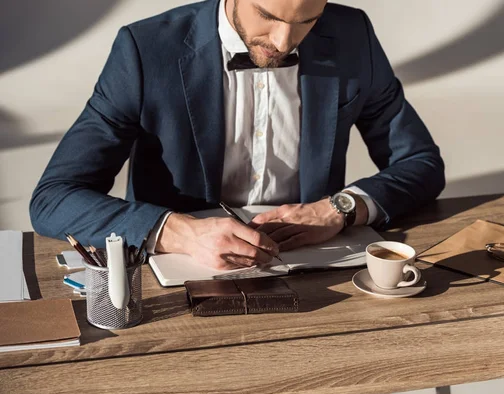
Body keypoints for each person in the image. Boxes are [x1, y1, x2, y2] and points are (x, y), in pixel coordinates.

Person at [30, 0, 445, 270]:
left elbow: (421, 162)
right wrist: (179, 232)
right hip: (181, 271)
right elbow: (54, 197)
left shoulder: (352, 34)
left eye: (307, 22)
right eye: (268, 16)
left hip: (312, 268)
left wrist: (339, 208)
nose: (284, 41)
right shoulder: (146, 49)